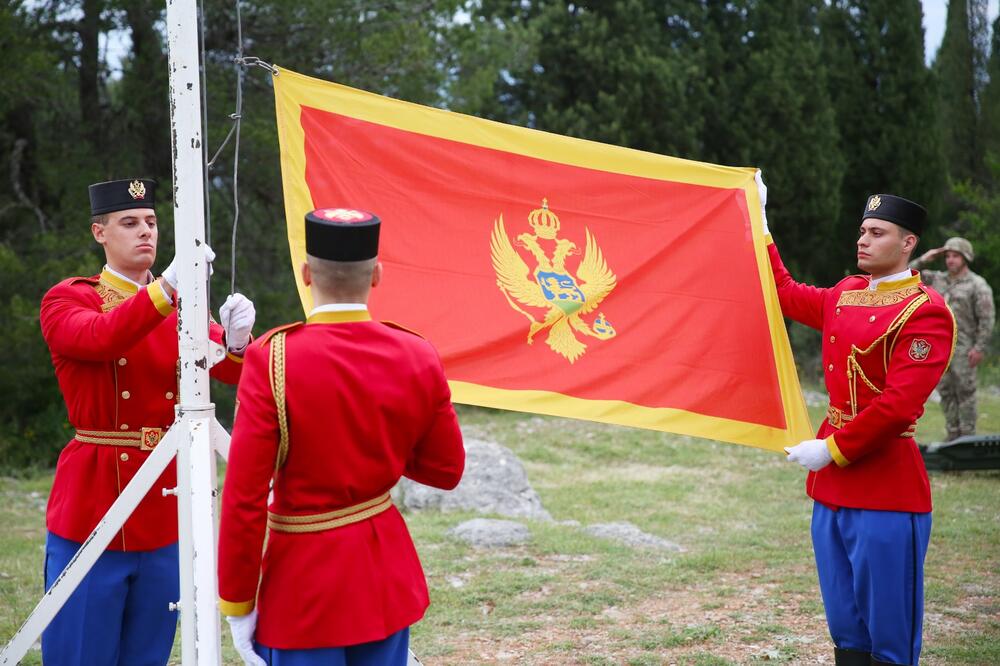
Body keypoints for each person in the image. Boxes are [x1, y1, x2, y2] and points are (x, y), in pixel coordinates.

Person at [217, 207, 465, 666]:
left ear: (307, 274)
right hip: (384, 577)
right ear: (377, 276)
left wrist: (238, 604)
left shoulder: (272, 358)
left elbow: (244, 497)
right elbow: (447, 471)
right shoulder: (417, 353)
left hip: (302, 586)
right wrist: (381, 443)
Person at [38, 177, 256, 666]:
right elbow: (101, 339)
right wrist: (169, 287)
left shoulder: (177, 306)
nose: (145, 233)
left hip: (164, 502)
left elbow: (230, 368)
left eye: (152, 223)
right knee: (82, 651)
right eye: (129, 222)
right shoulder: (70, 299)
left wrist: (239, 340)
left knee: (148, 651)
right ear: (100, 233)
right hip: (97, 501)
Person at [762, 181, 955, 666]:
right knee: (845, 626)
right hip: (830, 488)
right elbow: (782, 292)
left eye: (877, 232)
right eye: (862, 231)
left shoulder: (925, 312)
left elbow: (897, 407)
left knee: (889, 629)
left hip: (885, 488)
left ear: (908, 243)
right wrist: (757, 222)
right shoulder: (845, 293)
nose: (862, 241)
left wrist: (830, 449)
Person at [910, 237, 995, 440]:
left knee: (965, 393)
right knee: (946, 391)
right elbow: (906, 275)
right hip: (939, 347)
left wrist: (979, 348)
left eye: (955, 256)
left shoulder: (977, 285)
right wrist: (925, 258)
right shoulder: (937, 279)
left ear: (965, 258)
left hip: (965, 349)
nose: (950, 260)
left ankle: (967, 438)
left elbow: (987, 319)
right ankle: (952, 436)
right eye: (947, 256)